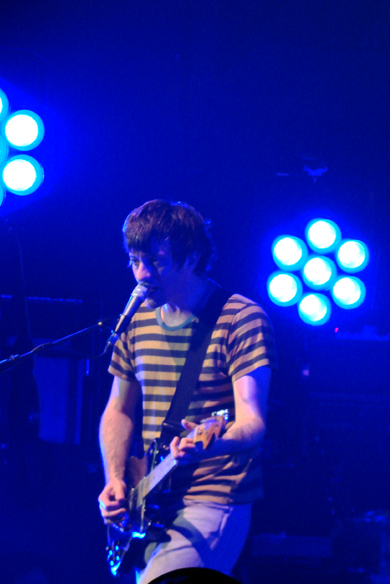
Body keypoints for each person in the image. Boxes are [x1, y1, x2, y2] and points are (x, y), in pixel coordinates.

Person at [97, 200, 276, 584]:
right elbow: (119, 410)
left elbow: (252, 422)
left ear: (192, 258)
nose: (142, 274)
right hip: (151, 498)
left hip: (214, 495)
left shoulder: (240, 318)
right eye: (135, 261)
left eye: (156, 262)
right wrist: (115, 478)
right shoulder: (135, 321)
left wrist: (213, 444)